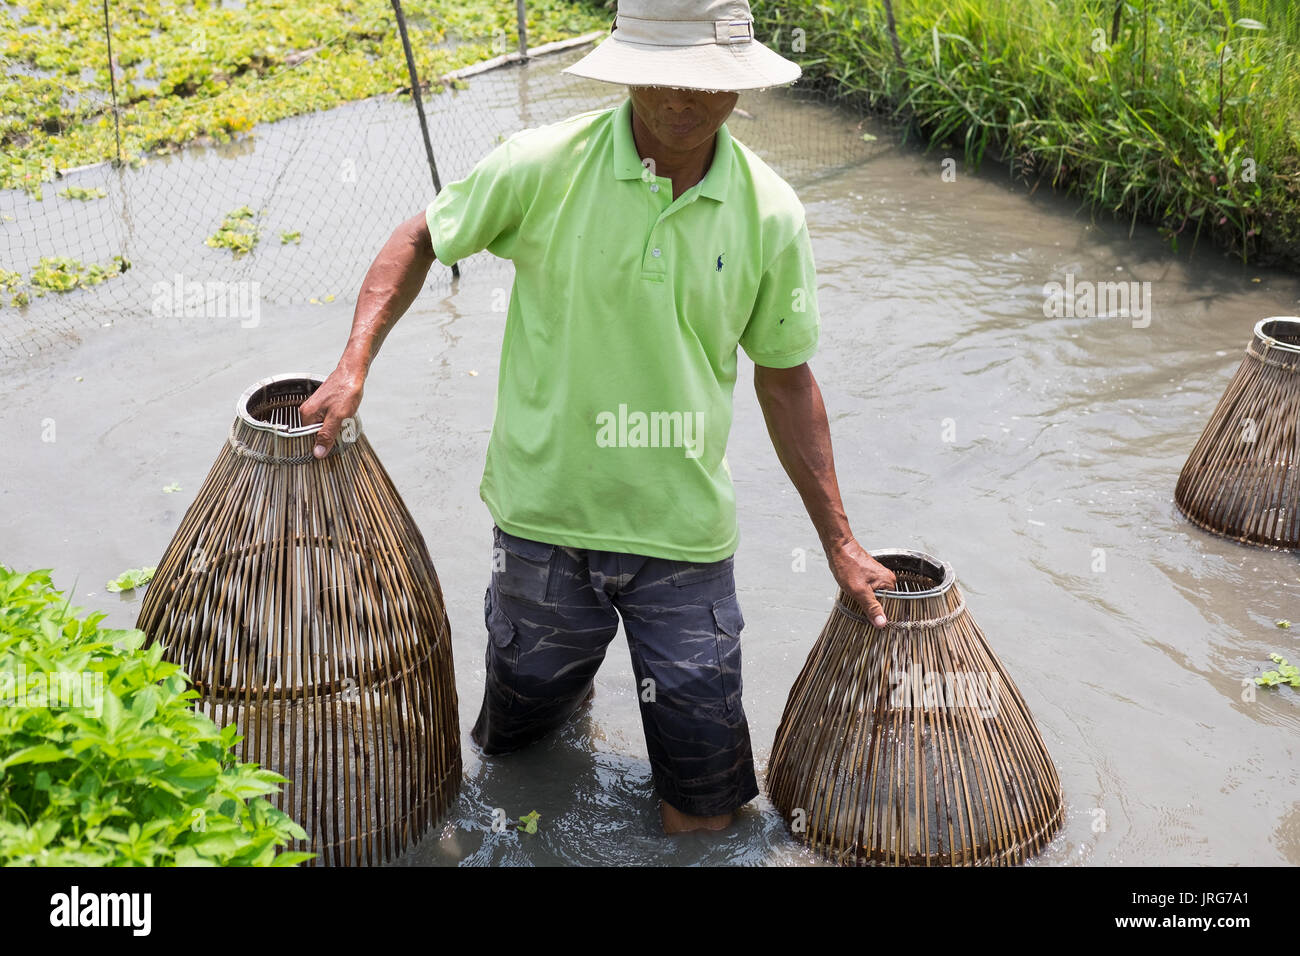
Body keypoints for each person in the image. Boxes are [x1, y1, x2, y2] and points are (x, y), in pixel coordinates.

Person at [300, 0, 897, 835]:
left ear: (738, 85)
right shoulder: (542, 165)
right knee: (518, 763)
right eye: (661, 76)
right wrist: (354, 363)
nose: (682, 99)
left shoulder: (770, 213)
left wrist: (839, 540)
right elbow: (422, 238)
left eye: (705, 81)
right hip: (544, 527)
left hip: (683, 542)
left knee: (707, 811)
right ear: (625, 68)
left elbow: (786, 379)